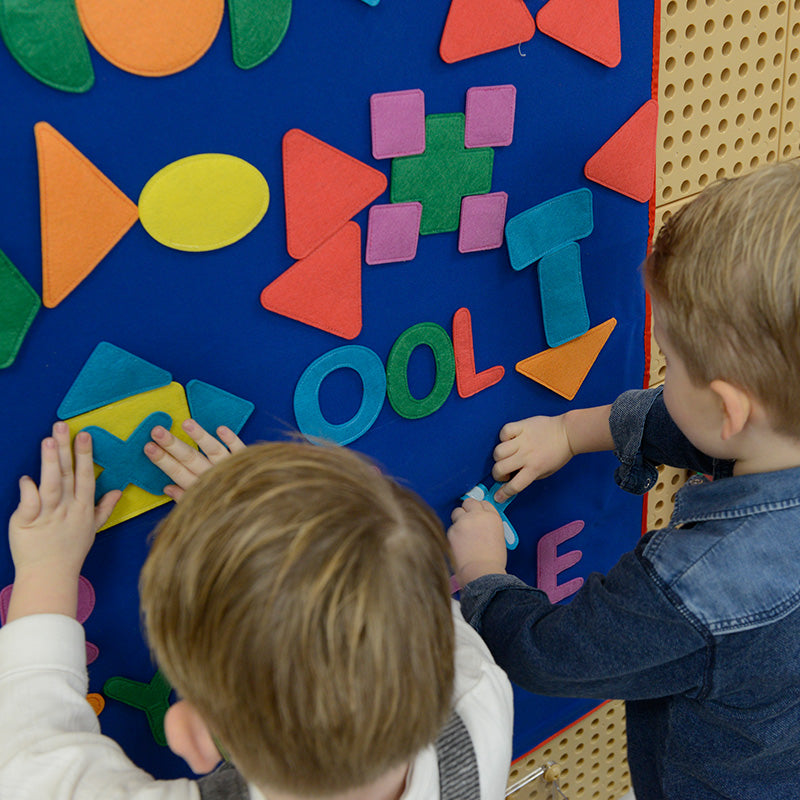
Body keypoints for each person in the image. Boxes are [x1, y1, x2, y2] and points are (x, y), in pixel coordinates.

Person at [447, 162, 800, 800]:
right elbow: (694, 423)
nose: (663, 370)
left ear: (728, 408)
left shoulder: (695, 589)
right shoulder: (775, 428)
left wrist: (480, 575)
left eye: (671, 360)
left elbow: (548, 655)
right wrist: (572, 431)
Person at [0, 419, 513, 800]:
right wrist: (261, 522)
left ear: (196, 737)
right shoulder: (477, 702)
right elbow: (408, 601)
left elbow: (31, 762)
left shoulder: (478, 695)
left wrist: (46, 570)